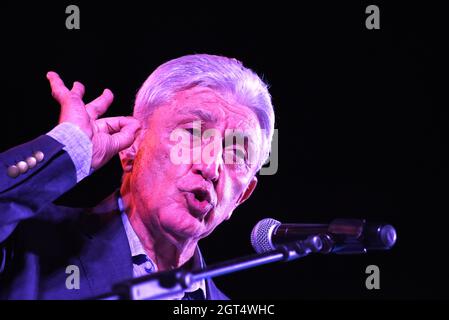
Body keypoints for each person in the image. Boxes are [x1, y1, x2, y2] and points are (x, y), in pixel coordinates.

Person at [0, 54, 275, 300]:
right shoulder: (28, 244)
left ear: (241, 197)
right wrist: (68, 147)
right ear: (132, 146)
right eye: (191, 133)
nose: (211, 166)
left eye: (236, 154)